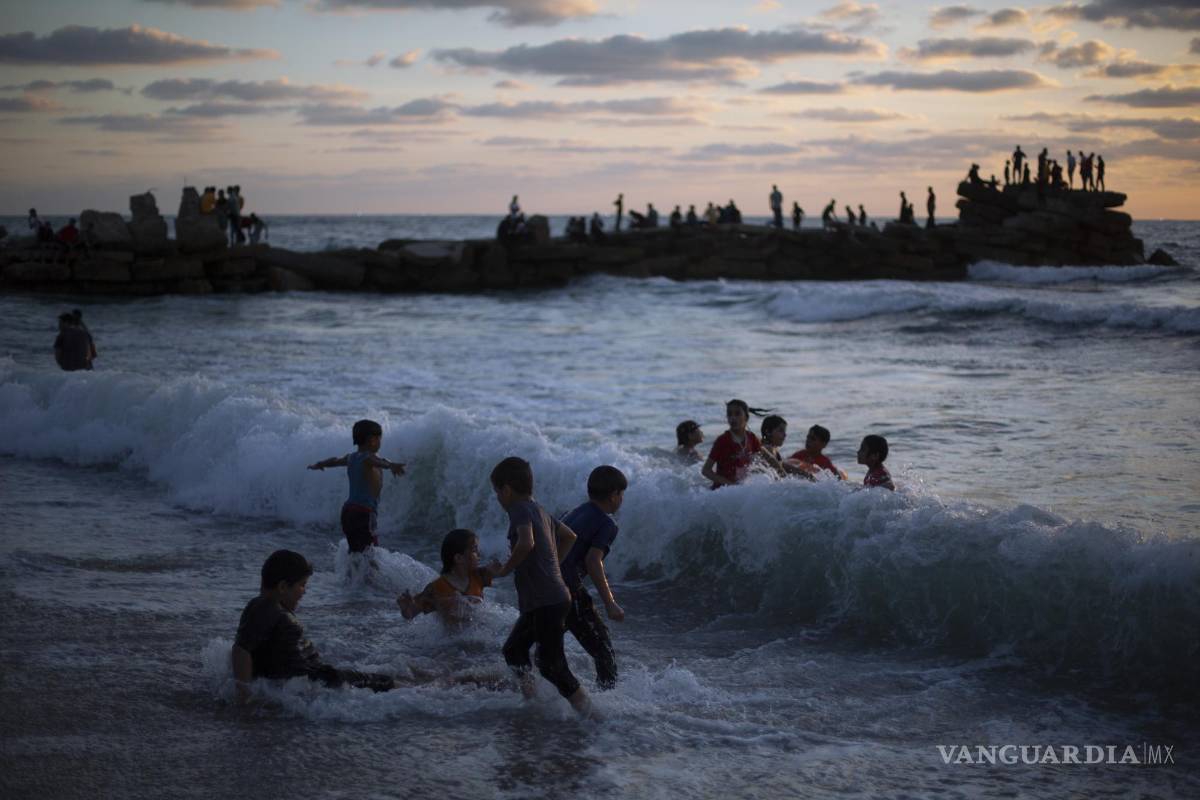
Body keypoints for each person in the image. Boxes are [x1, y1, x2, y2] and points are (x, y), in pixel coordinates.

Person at [489, 457, 591, 715]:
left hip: (547, 600)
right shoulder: (539, 509)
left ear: (507, 490)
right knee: (514, 651)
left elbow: (526, 543)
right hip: (548, 599)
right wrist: (552, 564)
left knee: (551, 665)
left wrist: (503, 570)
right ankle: (532, 703)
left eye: (497, 492)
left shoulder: (519, 509)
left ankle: (593, 717)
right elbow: (570, 536)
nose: (498, 498)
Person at [232, 549, 396, 703]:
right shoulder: (267, 606)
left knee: (381, 681)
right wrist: (244, 695)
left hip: (315, 679)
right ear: (282, 587)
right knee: (385, 683)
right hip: (317, 680)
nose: (304, 591)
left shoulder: (266, 607)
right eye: (302, 585)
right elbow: (241, 649)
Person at [560, 466, 628, 690]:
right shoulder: (607, 524)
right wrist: (610, 603)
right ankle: (606, 705)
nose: (622, 499)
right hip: (568, 588)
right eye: (621, 494)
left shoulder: (575, 511)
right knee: (603, 649)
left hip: (548, 583)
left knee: (544, 642)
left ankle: (533, 686)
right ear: (613, 495)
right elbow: (593, 561)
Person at [307, 419, 407, 553]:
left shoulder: (351, 457)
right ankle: (368, 574)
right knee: (371, 554)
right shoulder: (368, 459)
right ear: (372, 440)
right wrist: (391, 465)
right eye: (379, 439)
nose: (380, 442)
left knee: (355, 552)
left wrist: (320, 464)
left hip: (348, 511)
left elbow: (335, 461)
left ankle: (350, 574)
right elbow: (378, 461)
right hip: (363, 513)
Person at [398, 529, 501, 628]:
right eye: (474, 550)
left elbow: (503, 571)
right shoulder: (437, 587)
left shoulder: (479, 575)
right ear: (459, 558)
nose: (479, 554)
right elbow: (411, 613)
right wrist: (406, 608)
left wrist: (503, 564)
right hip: (452, 643)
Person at [702, 399, 777, 488]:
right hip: (722, 492)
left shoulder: (752, 438)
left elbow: (770, 458)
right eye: (729, 414)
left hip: (741, 489)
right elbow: (706, 470)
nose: (733, 418)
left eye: (737, 414)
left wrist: (783, 478)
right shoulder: (722, 441)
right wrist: (731, 485)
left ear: (746, 417)